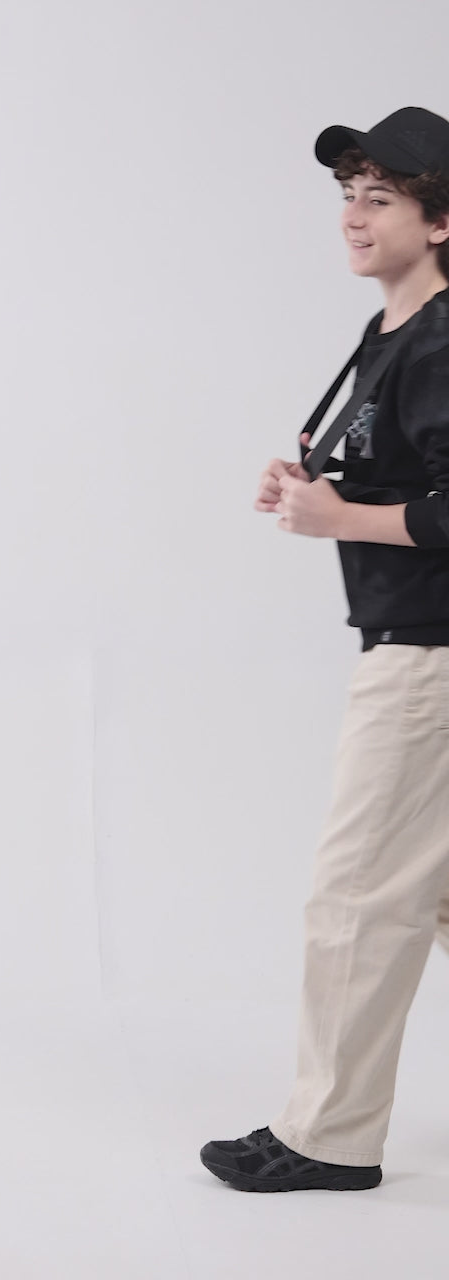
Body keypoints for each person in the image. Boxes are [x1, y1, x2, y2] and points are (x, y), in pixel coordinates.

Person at [200, 106, 449, 1192]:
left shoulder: (440, 340)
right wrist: (321, 484)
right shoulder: (392, 333)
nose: (353, 215)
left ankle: (327, 1138)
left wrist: (340, 517)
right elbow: (408, 472)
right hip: (420, 642)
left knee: (357, 894)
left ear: (441, 221)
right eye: (348, 194)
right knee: (430, 894)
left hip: (429, 654)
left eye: (380, 198)